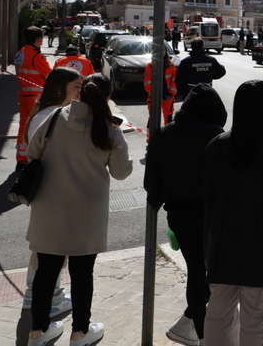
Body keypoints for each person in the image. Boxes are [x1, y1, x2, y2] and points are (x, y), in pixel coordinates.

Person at [25, 74, 132, 346]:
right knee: (82, 273)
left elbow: (33, 151)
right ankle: (80, 332)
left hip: (49, 206)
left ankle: (37, 331)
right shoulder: (109, 127)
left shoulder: (55, 117)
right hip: (88, 211)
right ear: (107, 96)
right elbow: (121, 172)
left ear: (80, 93)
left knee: (46, 271)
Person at [203, 80, 263, 346]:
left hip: (219, 252)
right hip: (260, 257)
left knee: (218, 316)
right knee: (254, 322)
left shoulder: (215, 146)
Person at [145, 83, 228, 346]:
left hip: (179, 216)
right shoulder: (217, 135)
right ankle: (202, 330)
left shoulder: (162, 134)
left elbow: (151, 185)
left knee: (195, 270)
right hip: (210, 218)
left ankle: (199, 333)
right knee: (214, 274)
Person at [21, 67, 83, 317]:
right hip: (56, 191)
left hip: (46, 190)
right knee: (53, 249)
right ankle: (51, 298)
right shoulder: (57, 114)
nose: (80, 91)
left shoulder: (43, 111)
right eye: (76, 86)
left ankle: (33, 294)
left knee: (44, 247)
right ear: (60, 88)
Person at [15, 26, 51, 167]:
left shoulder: (20, 53)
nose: (42, 41)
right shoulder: (37, 56)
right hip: (36, 98)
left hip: (23, 95)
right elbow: (50, 76)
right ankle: (37, 158)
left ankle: (21, 159)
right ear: (38, 39)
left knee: (23, 127)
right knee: (39, 128)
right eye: (42, 38)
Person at [144, 45, 177, 139]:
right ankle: (150, 138)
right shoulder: (150, 66)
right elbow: (147, 82)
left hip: (168, 96)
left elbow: (174, 80)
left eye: (163, 50)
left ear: (165, 51)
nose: (161, 52)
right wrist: (155, 95)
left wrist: (171, 94)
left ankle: (168, 138)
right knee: (152, 118)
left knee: (169, 117)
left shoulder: (171, 65)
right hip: (154, 97)